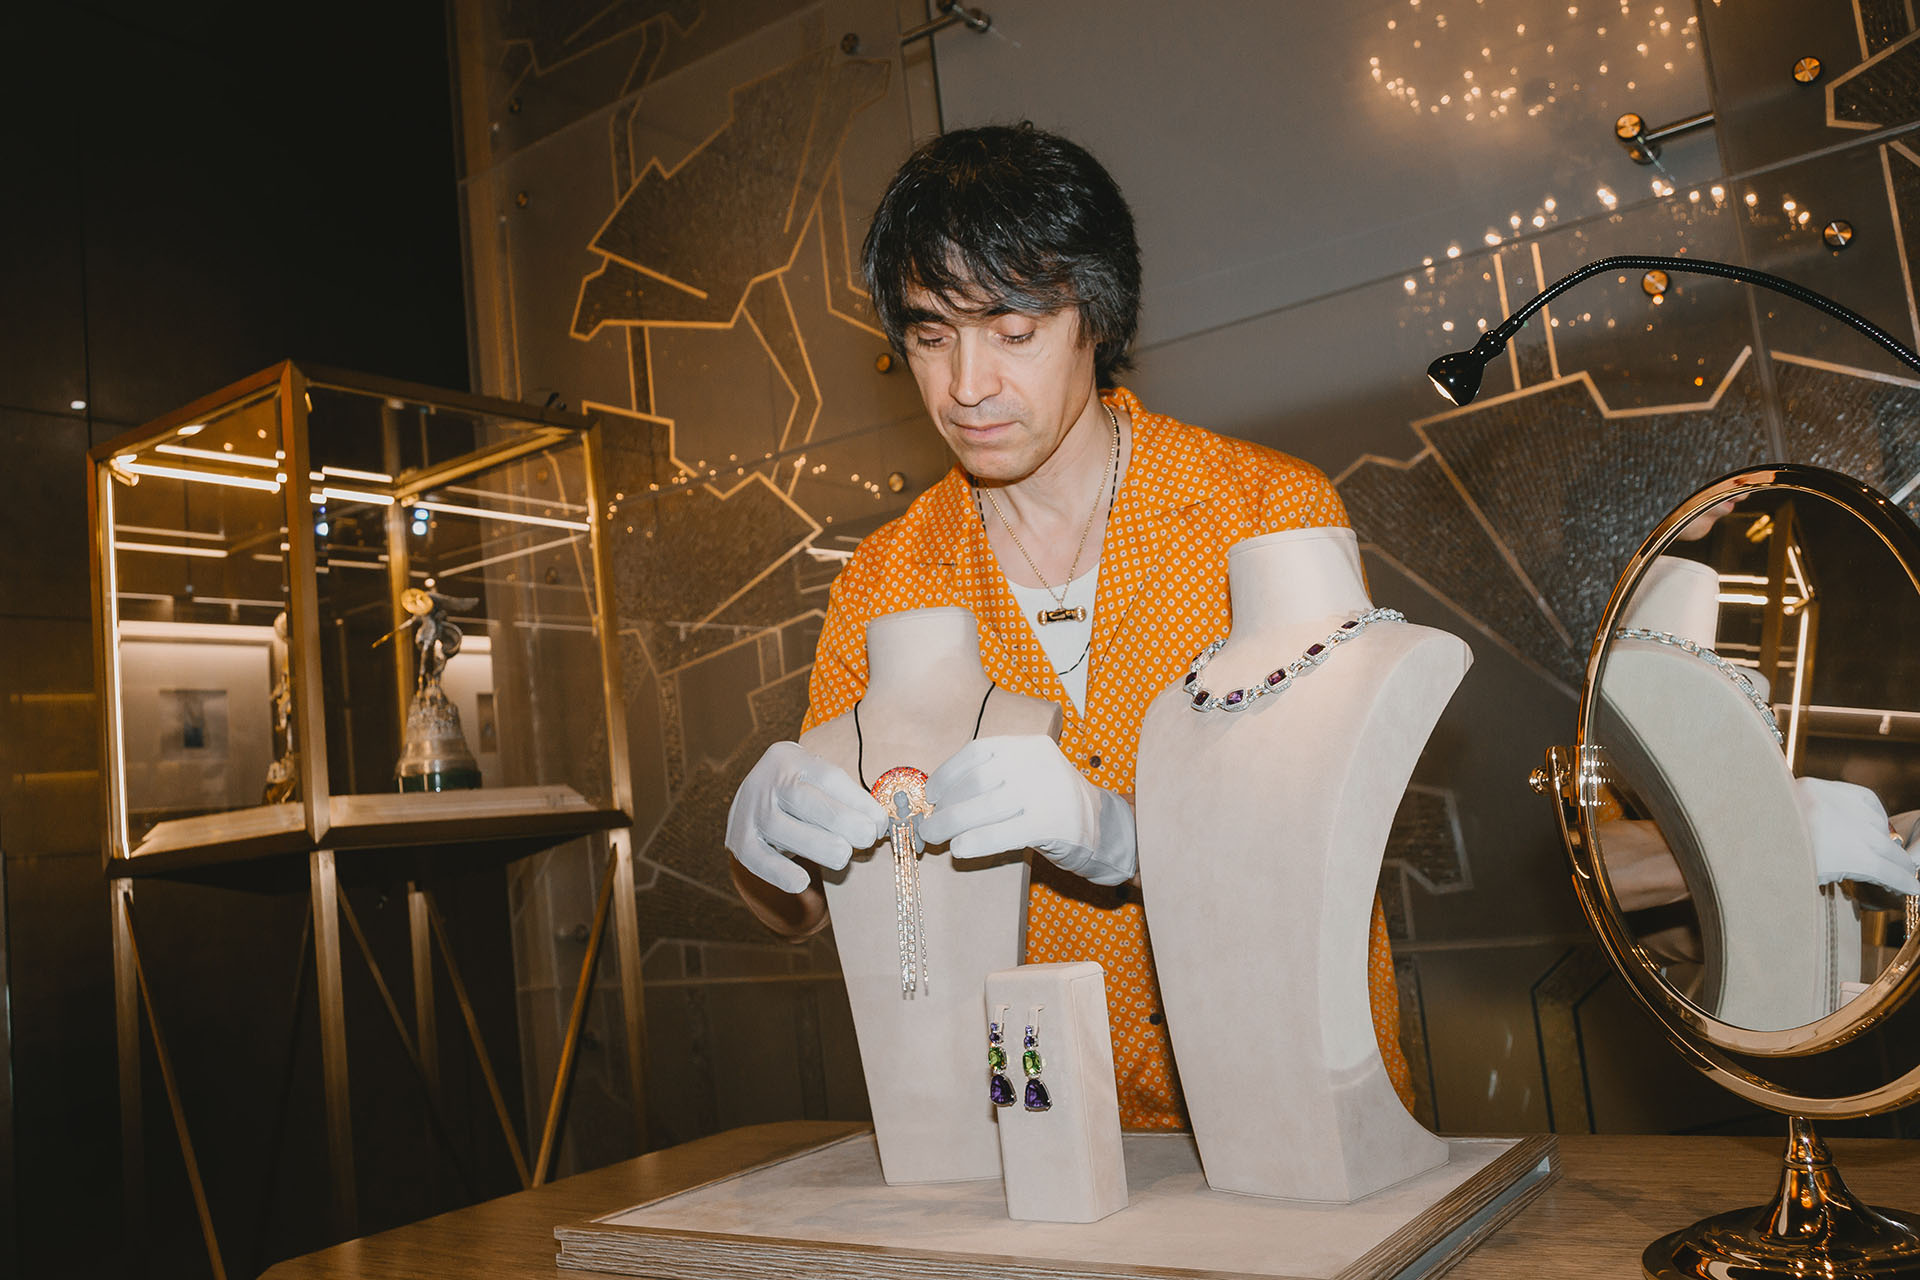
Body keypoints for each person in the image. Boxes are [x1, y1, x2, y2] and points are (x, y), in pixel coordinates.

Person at [725, 123, 1410, 1127]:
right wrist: (767, 859)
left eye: (1013, 332)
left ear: (1096, 316)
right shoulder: (884, 580)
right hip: (1039, 1130)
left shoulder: (1264, 512)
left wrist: (1124, 835)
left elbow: (1339, 828)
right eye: (930, 336)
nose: (967, 386)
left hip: (1293, 1101)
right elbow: (851, 910)